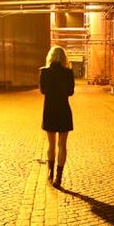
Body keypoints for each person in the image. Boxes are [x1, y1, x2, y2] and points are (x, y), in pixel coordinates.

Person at [40, 45, 75, 188]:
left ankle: (50, 173)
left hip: (50, 110)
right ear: (64, 58)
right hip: (63, 110)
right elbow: (70, 92)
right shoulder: (68, 73)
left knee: (51, 144)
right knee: (62, 145)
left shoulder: (44, 72)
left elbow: (43, 91)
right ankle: (58, 178)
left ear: (51, 57)